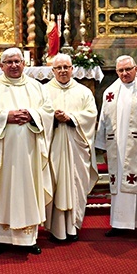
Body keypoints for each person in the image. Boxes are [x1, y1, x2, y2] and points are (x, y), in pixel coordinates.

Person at [0, 48, 54, 256]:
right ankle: (0, 240)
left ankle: (28, 240)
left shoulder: (37, 87)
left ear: (24, 63)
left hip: (30, 152)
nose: (13, 65)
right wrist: (5, 116)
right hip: (2, 153)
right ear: (1, 66)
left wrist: (32, 115)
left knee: (28, 189)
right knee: (3, 190)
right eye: (8, 62)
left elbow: (48, 112)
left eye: (17, 61)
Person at [95, 55, 137, 242]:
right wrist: (104, 148)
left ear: (136, 68)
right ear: (116, 71)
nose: (124, 73)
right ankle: (119, 223)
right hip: (116, 150)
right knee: (118, 187)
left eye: (128, 69)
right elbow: (103, 122)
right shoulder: (110, 93)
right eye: (120, 70)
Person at [45, 54, 98, 242]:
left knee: (76, 184)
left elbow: (91, 115)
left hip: (76, 147)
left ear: (72, 69)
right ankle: (55, 229)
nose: (62, 71)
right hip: (54, 147)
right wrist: (52, 117)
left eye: (66, 67)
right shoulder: (43, 91)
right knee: (55, 184)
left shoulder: (84, 92)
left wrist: (71, 118)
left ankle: (74, 226)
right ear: (52, 70)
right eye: (58, 68)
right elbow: (38, 116)